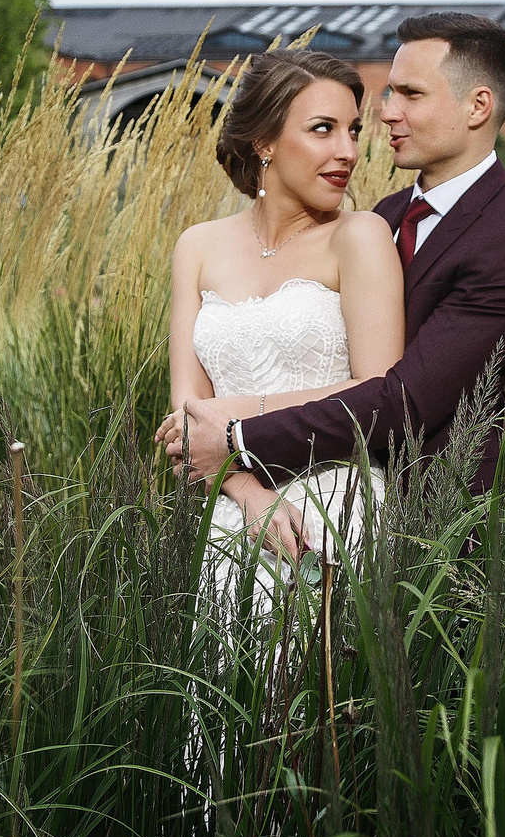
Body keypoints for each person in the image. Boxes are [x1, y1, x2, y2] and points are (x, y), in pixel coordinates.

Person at [165, 11, 505, 539]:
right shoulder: (388, 214)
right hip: (247, 506)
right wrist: (240, 484)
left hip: (437, 533)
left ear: (478, 105)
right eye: (387, 94)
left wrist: (235, 431)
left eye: (410, 95)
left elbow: (403, 399)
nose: (386, 115)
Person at [154, 48, 404, 568]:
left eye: (353, 131)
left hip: (336, 506)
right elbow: (185, 419)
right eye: (322, 129)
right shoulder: (197, 247)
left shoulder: (360, 237)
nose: (348, 151)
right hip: (230, 514)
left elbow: (378, 391)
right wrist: (250, 496)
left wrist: (232, 415)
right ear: (264, 142)